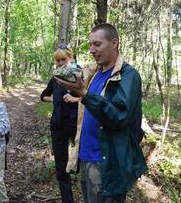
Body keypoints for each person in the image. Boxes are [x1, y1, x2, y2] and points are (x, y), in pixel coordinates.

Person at [55, 23, 147, 203]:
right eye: (90, 45)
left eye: (97, 44)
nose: (91, 50)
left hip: (107, 163)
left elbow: (118, 116)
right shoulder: (95, 73)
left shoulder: (128, 75)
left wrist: (83, 94)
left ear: (114, 43)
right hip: (86, 158)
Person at [40, 44, 80, 203]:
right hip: (57, 125)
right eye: (58, 60)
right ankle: (67, 200)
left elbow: (92, 97)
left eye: (63, 59)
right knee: (61, 166)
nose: (61, 62)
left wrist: (75, 99)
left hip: (77, 125)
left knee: (84, 162)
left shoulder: (80, 73)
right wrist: (55, 100)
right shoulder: (56, 77)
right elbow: (43, 96)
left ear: (71, 57)